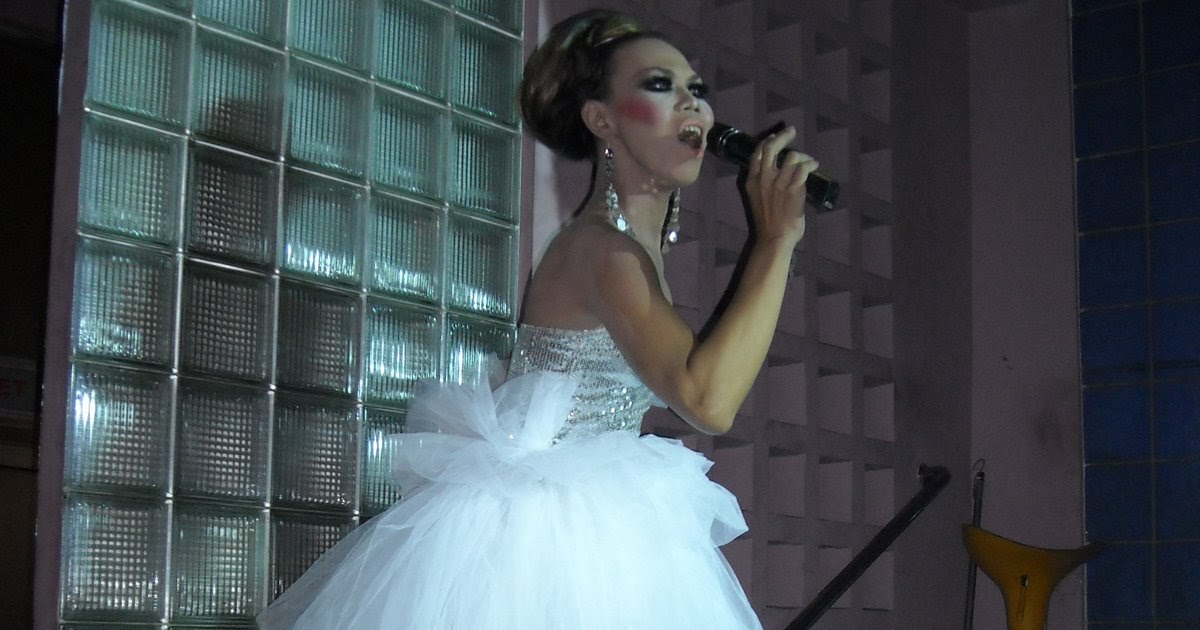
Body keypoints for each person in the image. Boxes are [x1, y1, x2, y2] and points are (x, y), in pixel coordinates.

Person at [257, 8, 815, 629]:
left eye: (697, 89)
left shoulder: (626, 250)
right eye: (661, 85)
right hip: (546, 541)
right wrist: (775, 240)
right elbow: (707, 398)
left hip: (593, 520)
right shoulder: (604, 253)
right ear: (601, 119)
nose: (693, 105)